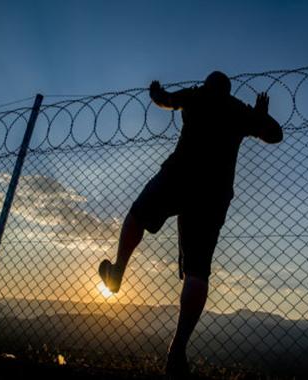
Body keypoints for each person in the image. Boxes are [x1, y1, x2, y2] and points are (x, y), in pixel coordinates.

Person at [98, 71, 282, 376]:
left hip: (178, 176)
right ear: (228, 90)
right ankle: (177, 349)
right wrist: (260, 118)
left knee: (137, 215)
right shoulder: (238, 110)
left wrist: (156, 92)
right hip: (214, 193)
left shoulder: (196, 96)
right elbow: (275, 134)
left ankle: (117, 270)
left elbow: (165, 101)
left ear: (207, 86)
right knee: (198, 270)